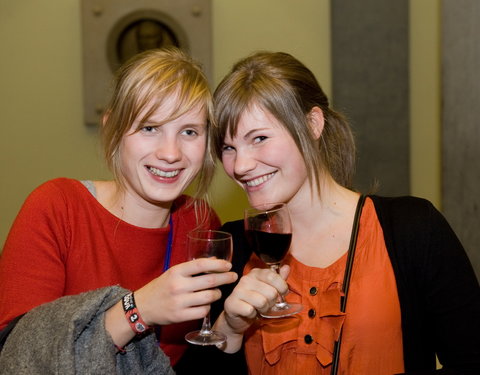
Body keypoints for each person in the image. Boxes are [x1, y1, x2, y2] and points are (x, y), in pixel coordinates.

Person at [209, 51, 480, 374]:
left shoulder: (411, 229)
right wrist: (230, 327)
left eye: (260, 138)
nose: (240, 166)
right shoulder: (233, 246)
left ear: (312, 124)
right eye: (228, 147)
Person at [0, 48, 237, 374]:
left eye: (189, 132)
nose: (170, 153)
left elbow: (200, 358)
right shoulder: (58, 208)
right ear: (113, 129)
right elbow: (17, 355)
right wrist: (137, 310)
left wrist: (234, 324)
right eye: (150, 128)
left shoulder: (200, 222)